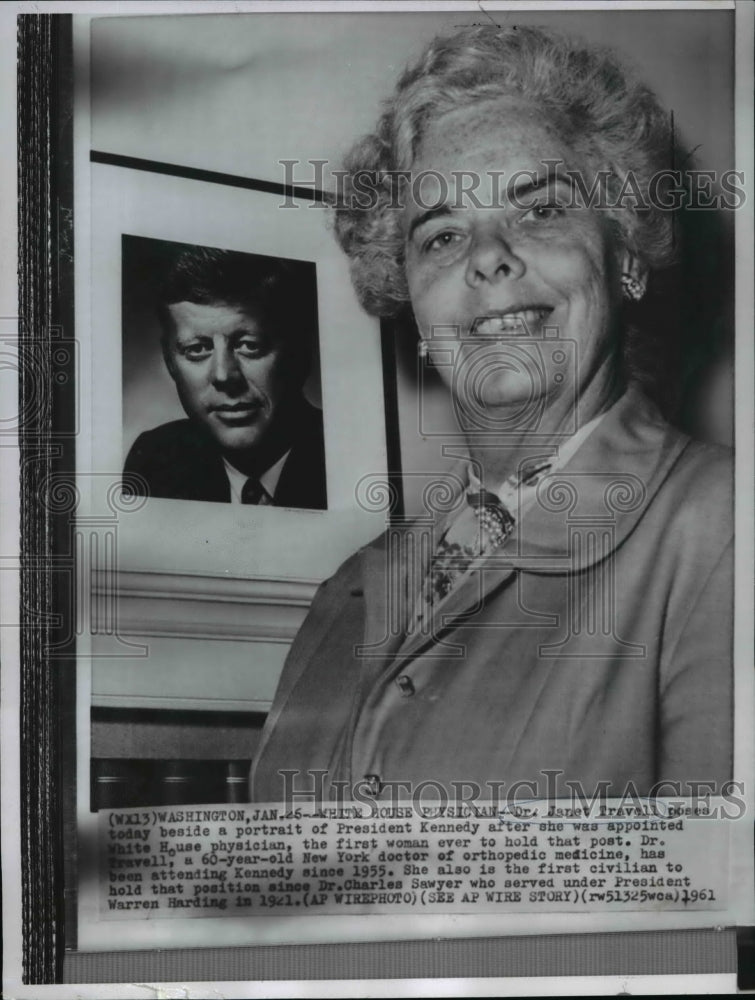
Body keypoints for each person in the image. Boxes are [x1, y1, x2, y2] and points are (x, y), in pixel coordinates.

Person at [250, 26, 733, 804]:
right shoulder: (353, 587)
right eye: (441, 234)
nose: (487, 256)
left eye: (539, 210)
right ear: (407, 297)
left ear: (626, 256)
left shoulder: (723, 526)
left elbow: (722, 910)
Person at [124, 247, 327, 509]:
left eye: (250, 345)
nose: (223, 375)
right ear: (169, 362)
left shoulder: (345, 457)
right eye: (197, 349)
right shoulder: (155, 460)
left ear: (298, 354)